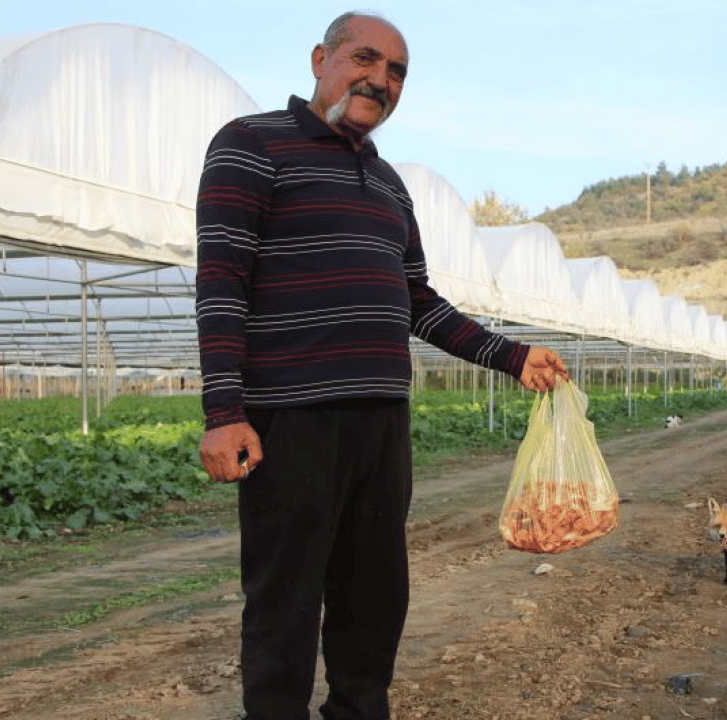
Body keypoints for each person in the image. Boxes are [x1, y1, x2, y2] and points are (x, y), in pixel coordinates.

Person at [194, 11, 568, 720]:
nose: (381, 79)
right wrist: (225, 412)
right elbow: (222, 280)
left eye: (396, 72)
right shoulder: (251, 144)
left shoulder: (391, 184)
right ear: (319, 59)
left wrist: (512, 356)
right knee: (286, 601)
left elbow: (417, 301)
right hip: (292, 420)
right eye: (365, 59)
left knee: (374, 599)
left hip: (381, 423)